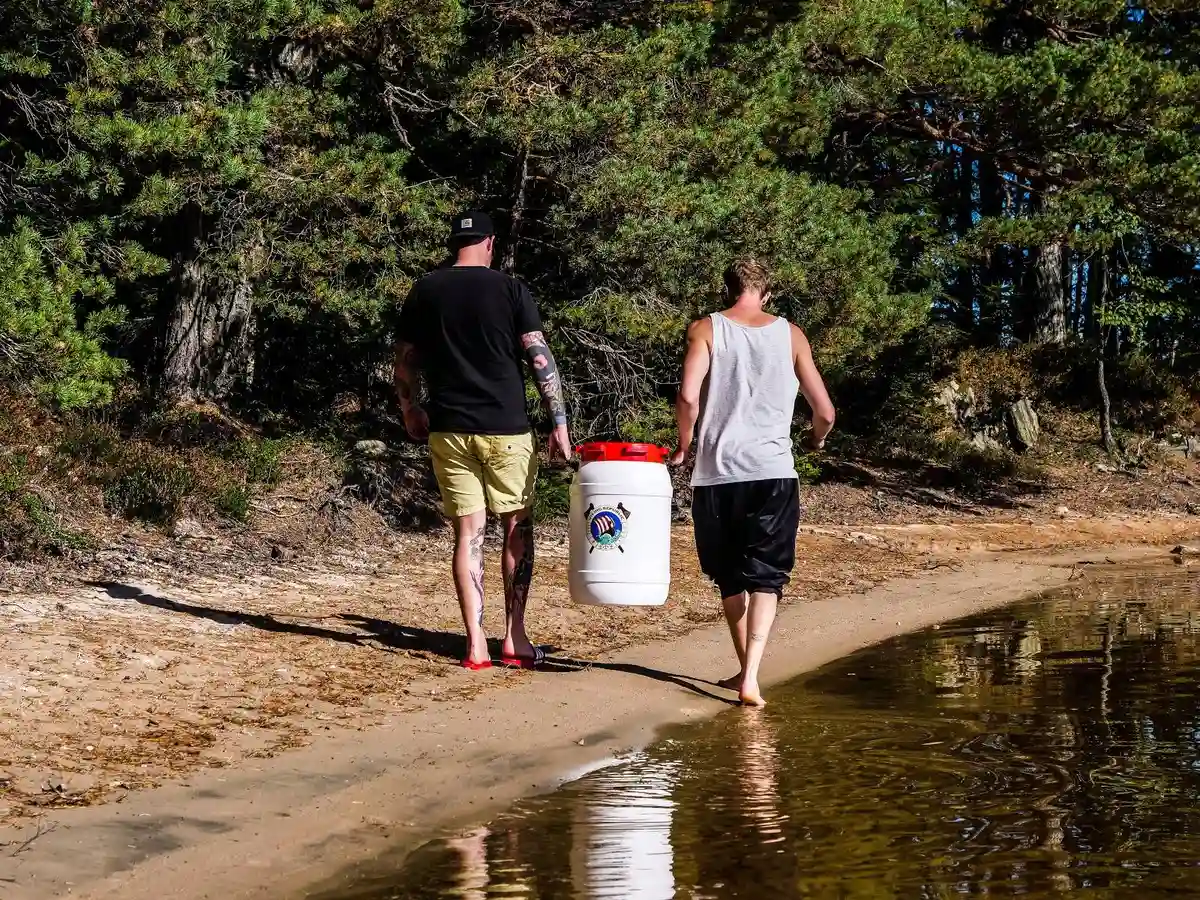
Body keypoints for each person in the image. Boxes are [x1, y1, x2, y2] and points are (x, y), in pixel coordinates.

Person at [393, 211, 572, 671]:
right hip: (507, 428)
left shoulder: (426, 289)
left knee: (469, 536)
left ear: (456, 243)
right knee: (516, 528)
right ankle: (515, 639)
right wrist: (559, 421)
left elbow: (405, 362)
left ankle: (475, 646)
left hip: (449, 427)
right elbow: (538, 356)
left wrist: (410, 408)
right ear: (489, 243)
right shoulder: (511, 289)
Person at [670, 258, 835, 706]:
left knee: (727, 574)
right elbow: (825, 412)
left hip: (716, 473)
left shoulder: (705, 329)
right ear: (767, 293)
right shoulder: (791, 334)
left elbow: (688, 396)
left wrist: (685, 445)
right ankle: (752, 676)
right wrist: (815, 440)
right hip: (772, 472)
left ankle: (745, 670)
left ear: (728, 290)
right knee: (767, 575)